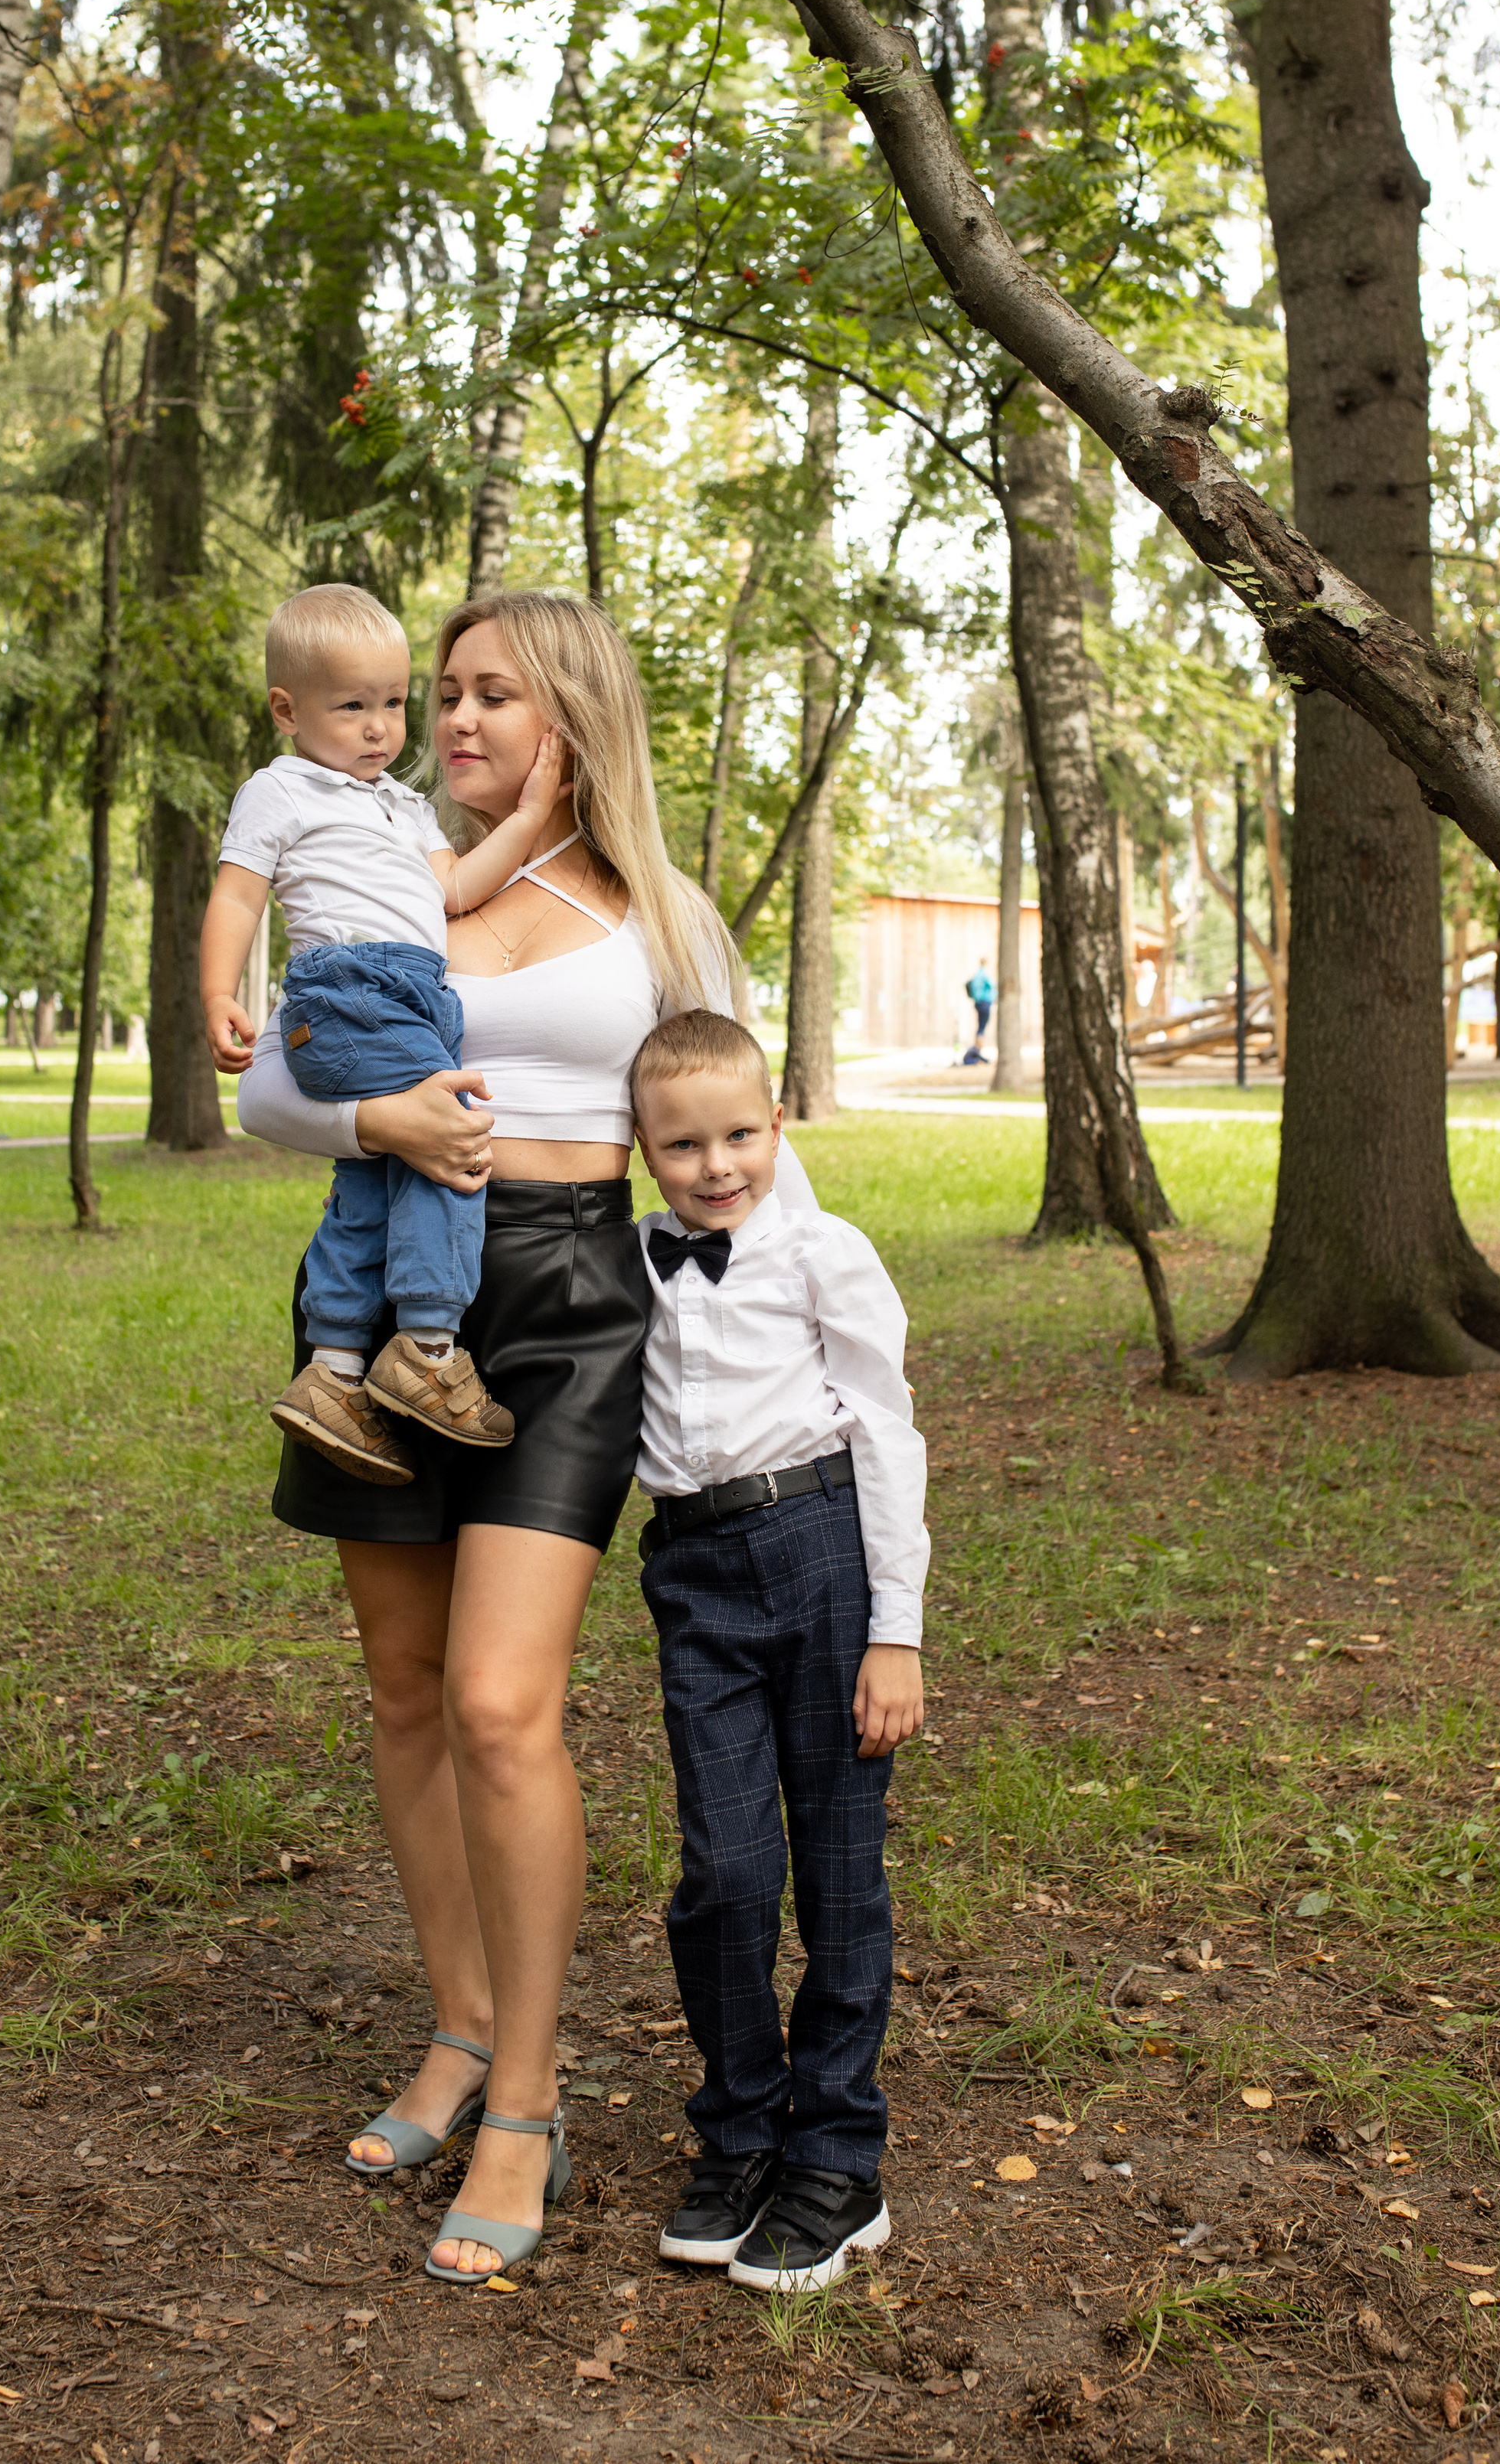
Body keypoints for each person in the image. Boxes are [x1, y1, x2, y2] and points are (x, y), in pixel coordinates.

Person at [234, 590, 817, 2289]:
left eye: (493, 693)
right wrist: (378, 1116)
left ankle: (530, 2098)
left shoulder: (661, 916)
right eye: (446, 694)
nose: (454, 722)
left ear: (569, 711)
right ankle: (461, 2026)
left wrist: (810, 1381)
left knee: (501, 1703)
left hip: (569, 1308)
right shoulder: (381, 867)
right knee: (406, 1692)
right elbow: (272, 1084)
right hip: (382, 1302)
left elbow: (744, 1145)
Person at [628, 1008, 927, 2295]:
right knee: (727, 1871)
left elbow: (888, 1432)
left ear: (778, 1127)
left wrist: (896, 1633)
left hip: (821, 1558)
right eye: (683, 1144)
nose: (716, 1166)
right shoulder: (631, 1266)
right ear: (642, 1149)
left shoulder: (825, 1252)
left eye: (740, 1135)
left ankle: (840, 2159)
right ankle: (743, 2129)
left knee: (840, 1873)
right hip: (694, 1576)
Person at [199, 583, 564, 1479]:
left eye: (395, 704)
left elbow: (455, 889)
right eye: (351, 707)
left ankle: (334, 1368)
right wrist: (217, 992)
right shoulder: (278, 790)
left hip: (412, 996)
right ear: (287, 710)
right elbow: (238, 895)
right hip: (349, 989)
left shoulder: (406, 807)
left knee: (376, 1176)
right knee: (454, 1140)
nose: (379, 728)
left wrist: (526, 819)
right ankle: (430, 1348)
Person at [963, 961, 994, 1065]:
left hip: (978, 1003)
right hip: (985, 1002)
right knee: (982, 1028)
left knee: (980, 1027)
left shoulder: (976, 975)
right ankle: (978, 1048)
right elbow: (992, 985)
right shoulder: (984, 975)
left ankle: (977, 1048)